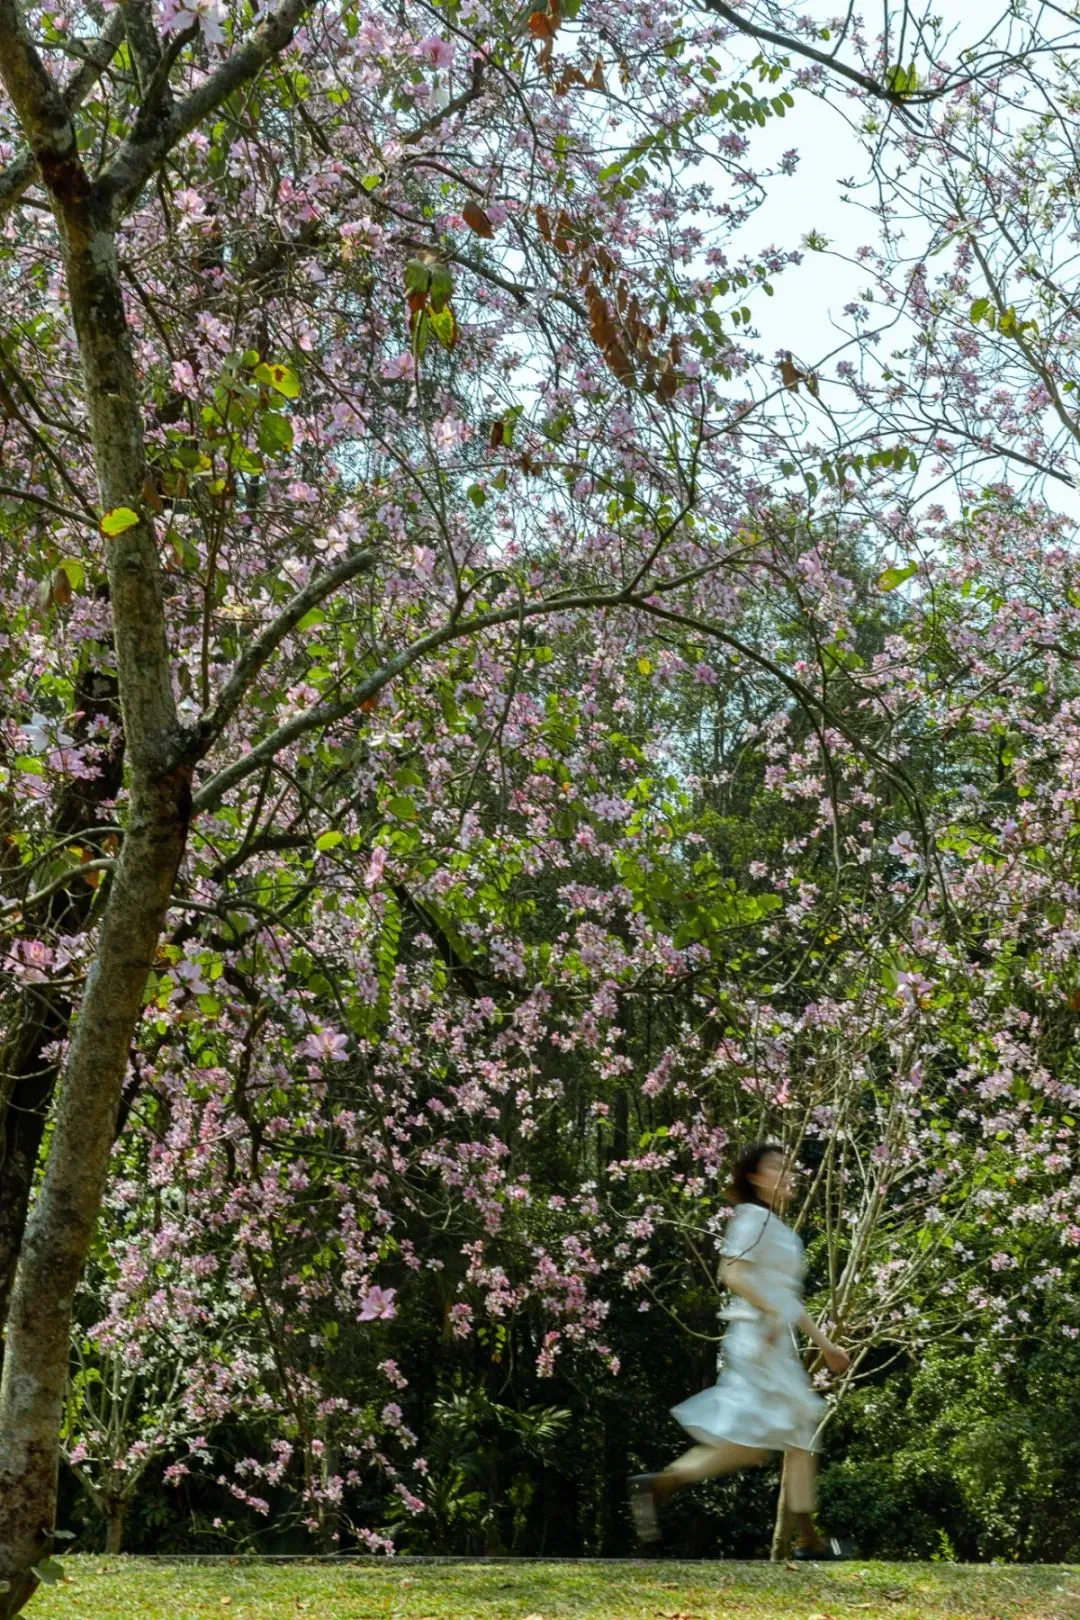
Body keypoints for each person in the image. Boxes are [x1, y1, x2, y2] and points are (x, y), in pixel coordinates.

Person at [628, 1141, 851, 1559]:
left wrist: (826, 1345)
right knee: (798, 1433)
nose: (787, 1175)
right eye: (776, 1168)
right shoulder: (751, 1219)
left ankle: (659, 1484)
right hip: (757, 1338)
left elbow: (789, 1298)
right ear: (754, 1177)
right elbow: (730, 1272)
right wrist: (768, 1313)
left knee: (763, 1444)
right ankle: (810, 1542)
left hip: (775, 1339)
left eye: (788, 1168)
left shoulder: (778, 1228)